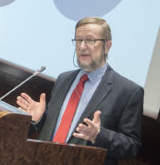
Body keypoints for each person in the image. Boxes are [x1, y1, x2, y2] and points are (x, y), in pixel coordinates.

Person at [16, 17, 143, 165]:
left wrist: (98, 135)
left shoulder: (128, 91)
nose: (82, 46)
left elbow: (132, 146)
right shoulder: (64, 79)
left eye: (90, 40)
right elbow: (56, 129)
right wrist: (39, 120)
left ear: (107, 46)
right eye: (78, 40)